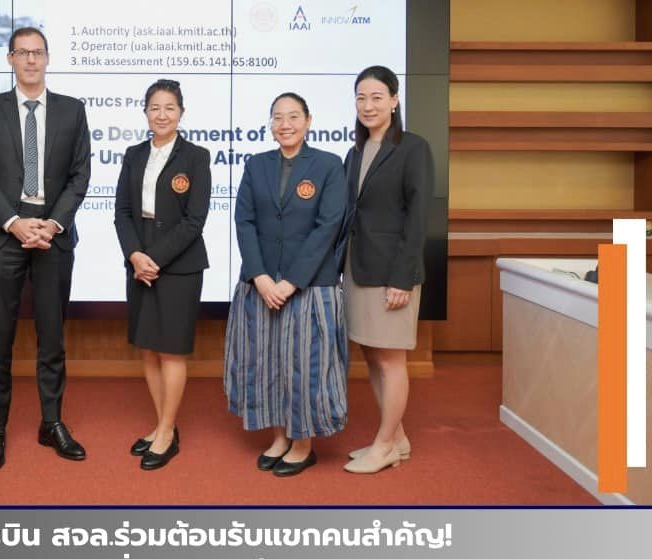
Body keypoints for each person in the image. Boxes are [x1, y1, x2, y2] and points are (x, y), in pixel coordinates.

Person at [0, 27, 91, 471]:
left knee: (52, 337)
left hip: (53, 233)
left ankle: (51, 422)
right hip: (6, 233)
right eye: (23, 53)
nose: (32, 60)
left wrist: (53, 224)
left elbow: (80, 175)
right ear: (10, 59)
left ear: (48, 58)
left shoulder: (72, 110)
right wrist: (15, 223)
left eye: (38, 53)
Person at [224, 92, 348, 477]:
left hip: (310, 287)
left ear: (308, 121)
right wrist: (260, 277)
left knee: (305, 366)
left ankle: (303, 444)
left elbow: (328, 227)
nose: (285, 124)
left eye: (293, 116)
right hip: (260, 285)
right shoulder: (256, 165)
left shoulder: (328, 165)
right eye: (277, 117)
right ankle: (279, 437)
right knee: (266, 363)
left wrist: (292, 281)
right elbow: (244, 221)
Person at [114, 79, 211, 471]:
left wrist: (153, 258)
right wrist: (135, 255)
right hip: (139, 263)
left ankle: (167, 432)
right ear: (145, 112)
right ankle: (161, 424)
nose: (162, 114)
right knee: (148, 348)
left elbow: (195, 220)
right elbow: (122, 212)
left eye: (169, 108)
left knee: (170, 350)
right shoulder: (134, 154)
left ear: (181, 113)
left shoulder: (197, 156)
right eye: (155, 107)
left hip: (179, 266)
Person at [342, 65, 433, 475]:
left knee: (392, 359)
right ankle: (397, 439)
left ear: (394, 101)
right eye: (361, 97)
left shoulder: (413, 148)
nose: (368, 105)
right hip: (358, 269)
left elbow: (418, 219)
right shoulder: (355, 152)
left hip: (392, 274)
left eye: (377, 97)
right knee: (372, 355)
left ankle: (384, 446)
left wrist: (402, 278)